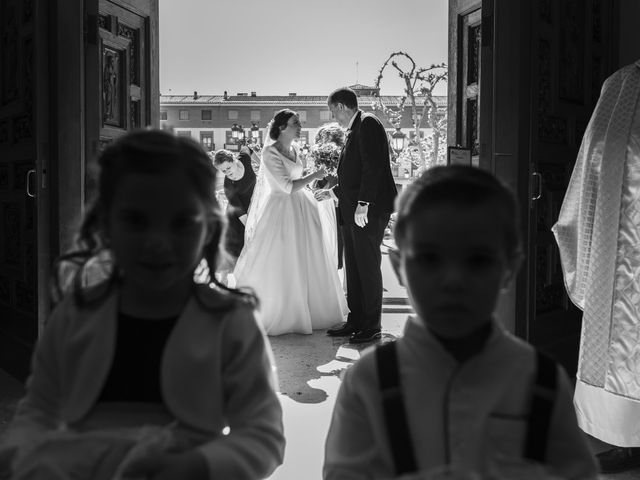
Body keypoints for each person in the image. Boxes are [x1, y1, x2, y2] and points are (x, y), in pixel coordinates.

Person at [0, 130, 285, 479]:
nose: (158, 242)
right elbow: (39, 409)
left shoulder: (230, 321)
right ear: (105, 226)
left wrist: (197, 465)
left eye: (181, 222)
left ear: (210, 229)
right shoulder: (77, 313)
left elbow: (263, 434)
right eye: (136, 220)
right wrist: (22, 454)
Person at [323, 166, 598, 479]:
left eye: (477, 260)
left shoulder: (541, 384)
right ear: (399, 266)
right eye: (430, 258)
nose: (453, 280)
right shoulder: (369, 383)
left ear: (509, 268)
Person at [552, 59, 640, 474]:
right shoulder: (620, 86)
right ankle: (630, 437)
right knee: (623, 345)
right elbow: (593, 162)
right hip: (622, 249)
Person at [233, 109, 348, 335]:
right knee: (284, 258)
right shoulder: (269, 152)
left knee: (309, 257)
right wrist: (314, 176)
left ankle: (312, 310)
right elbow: (286, 187)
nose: (300, 126)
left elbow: (298, 181)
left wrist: (316, 180)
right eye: (295, 123)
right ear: (282, 127)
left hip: (303, 206)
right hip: (281, 210)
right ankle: (285, 312)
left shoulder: (295, 149)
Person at [315, 87, 397, 344]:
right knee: (354, 268)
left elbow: (372, 168)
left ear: (341, 106)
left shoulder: (368, 123)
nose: (333, 117)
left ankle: (371, 326)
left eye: (332, 111)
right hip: (353, 210)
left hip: (367, 211)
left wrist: (363, 202)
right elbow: (353, 173)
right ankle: (356, 320)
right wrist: (333, 192)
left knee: (368, 268)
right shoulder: (355, 129)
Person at [211, 146, 257, 281]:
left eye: (228, 168)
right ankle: (223, 280)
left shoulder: (244, 159)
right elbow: (240, 212)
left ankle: (250, 277)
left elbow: (247, 148)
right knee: (234, 248)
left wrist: (261, 165)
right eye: (223, 171)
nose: (227, 172)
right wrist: (251, 227)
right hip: (237, 216)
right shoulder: (228, 186)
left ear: (234, 160)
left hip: (252, 207)